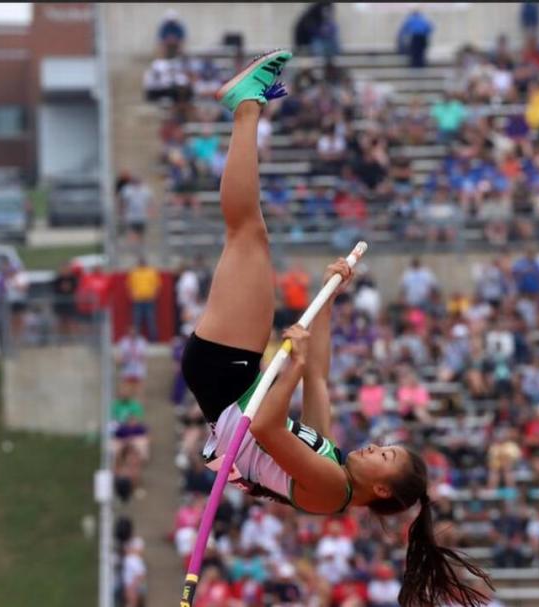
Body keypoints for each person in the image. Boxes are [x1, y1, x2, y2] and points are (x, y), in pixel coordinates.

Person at [179, 49, 492, 607]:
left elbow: (269, 429)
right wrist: (328, 298)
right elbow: (318, 380)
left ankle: (245, 104)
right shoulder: (331, 464)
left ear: (379, 489)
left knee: (247, 234)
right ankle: (245, 107)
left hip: (230, 384)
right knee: (248, 236)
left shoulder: (329, 491)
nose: (376, 446)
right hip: (232, 381)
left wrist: (291, 360)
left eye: (385, 456)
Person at [128, 257, 161, 341]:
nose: (142, 263)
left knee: (151, 319)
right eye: (141, 262)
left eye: (143, 262)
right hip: (138, 300)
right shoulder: (134, 272)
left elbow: (157, 284)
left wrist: (153, 293)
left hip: (149, 299)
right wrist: (133, 294)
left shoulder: (151, 271)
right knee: (137, 320)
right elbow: (129, 285)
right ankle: (136, 339)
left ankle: (153, 339)